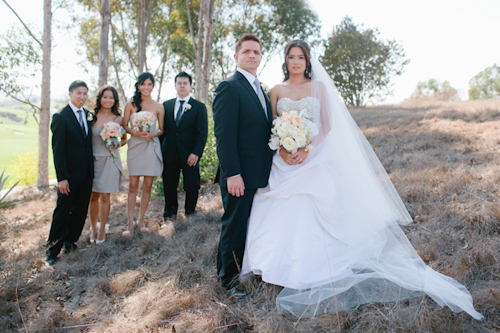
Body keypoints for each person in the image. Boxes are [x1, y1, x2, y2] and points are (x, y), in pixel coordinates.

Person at [241, 40, 483, 320]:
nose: (296, 62)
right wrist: (285, 150)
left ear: (308, 61)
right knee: (277, 206)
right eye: (291, 57)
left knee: (316, 207)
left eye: (301, 57)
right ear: (285, 60)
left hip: (314, 156)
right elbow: (273, 124)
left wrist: (308, 150)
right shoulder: (276, 90)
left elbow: (327, 124)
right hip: (285, 161)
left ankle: (315, 267)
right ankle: (275, 267)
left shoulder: (318, 88)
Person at [213, 33, 274, 295]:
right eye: (247, 51)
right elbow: (224, 135)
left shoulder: (261, 88)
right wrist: (233, 173)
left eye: (256, 52)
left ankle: (229, 269)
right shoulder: (229, 86)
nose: (252, 55)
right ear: (236, 56)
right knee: (235, 225)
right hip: (239, 174)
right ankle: (228, 280)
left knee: (247, 224)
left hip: (260, 171)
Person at [46, 80, 94, 265]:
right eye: (78, 93)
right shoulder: (61, 116)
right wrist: (62, 178)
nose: (82, 97)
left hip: (86, 173)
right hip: (69, 175)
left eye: (85, 93)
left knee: (80, 211)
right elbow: (58, 150)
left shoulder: (89, 115)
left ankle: (70, 242)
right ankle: (52, 251)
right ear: (70, 94)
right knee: (62, 212)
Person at [160, 72, 208, 221]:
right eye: (179, 83)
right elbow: (162, 131)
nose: (182, 85)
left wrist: (196, 153)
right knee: (169, 185)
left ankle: (190, 213)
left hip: (190, 154)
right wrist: (162, 150)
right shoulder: (166, 105)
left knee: (192, 185)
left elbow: (202, 133)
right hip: (170, 153)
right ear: (175, 85)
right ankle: (170, 214)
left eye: (185, 83)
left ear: (190, 85)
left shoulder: (199, 107)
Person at [122, 72, 164, 237]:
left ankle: (141, 220)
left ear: (153, 86)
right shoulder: (130, 105)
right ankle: (129, 222)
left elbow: (161, 129)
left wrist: (152, 134)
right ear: (138, 86)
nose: (146, 87)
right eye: (143, 84)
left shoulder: (158, 106)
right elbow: (124, 126)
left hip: (150, 146)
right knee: (133, 186)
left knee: (147, 186)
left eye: (149, 84)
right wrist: (136, 133)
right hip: (135, 145)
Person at [88, 85, 127, 244]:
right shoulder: (91, 116)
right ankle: (93, 227)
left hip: (110, 159)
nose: (108, 100)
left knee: (105, 196)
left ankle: (103, 227)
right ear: (100, 98)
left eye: (111, 97)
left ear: (115, 100)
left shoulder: (118, 118)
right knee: (92, 196)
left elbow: (124, 139)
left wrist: (116, 145)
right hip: (93, 160)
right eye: (105, 97)